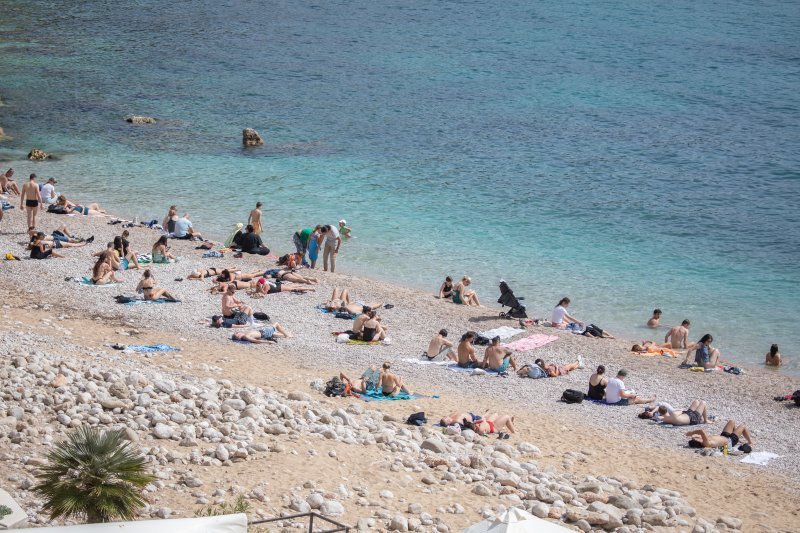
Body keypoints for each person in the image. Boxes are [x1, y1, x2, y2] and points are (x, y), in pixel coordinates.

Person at [686, 420, 753, 451]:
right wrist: (691, 433)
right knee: (743, 426)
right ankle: (750, 442)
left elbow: (697, 436)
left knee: (731, 422)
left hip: (724, 436)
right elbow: (701, 431)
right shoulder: (707, 443)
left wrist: (693, 436)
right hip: (730, 441)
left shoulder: (703, 441)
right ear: (698, 442)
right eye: (697, 439)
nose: (697, 438)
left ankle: (737, 435)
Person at [639, 400, 708, 426]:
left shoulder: (662, 419)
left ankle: (701, 417)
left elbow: (656, 418)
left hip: (688, 415)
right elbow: (682, 411)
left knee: (696, 402)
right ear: (666, 410)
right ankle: (705, 420)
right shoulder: (674, 414)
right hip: (693, 418)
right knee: (703, 403)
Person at [249, 277, 316, 297]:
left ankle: (310, 289)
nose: (257, 286)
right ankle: (300, 284)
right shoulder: (263, 284)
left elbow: (264, 293)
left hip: (280, 288)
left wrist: (260, 288)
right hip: (278, 285)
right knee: (289, 286)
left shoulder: (266, 285)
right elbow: (257, 291)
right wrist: (255, 290)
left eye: (258, 284)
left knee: (293, 289)